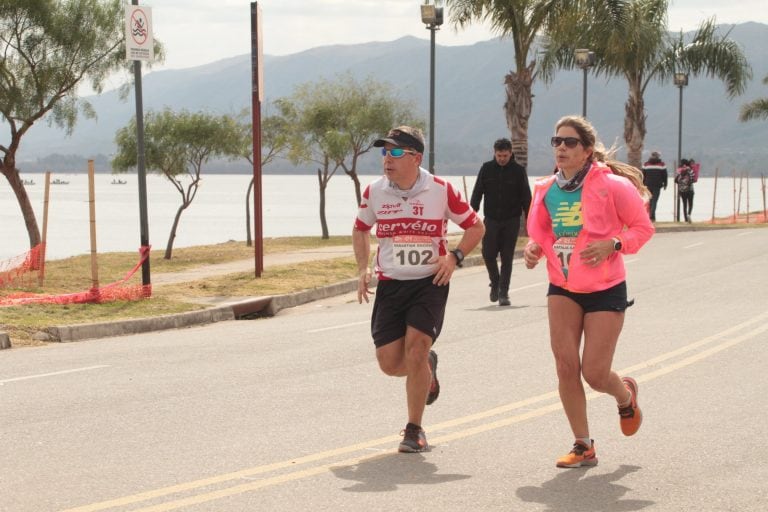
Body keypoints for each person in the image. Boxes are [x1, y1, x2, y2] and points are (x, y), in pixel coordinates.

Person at [523, 115, 654, 468]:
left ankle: (625, 396)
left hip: (605, 287)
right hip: (563, 285)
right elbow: (542, 235)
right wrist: (534, 249)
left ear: (587, 151)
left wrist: (613, 243)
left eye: (569, 143)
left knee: (595, 374)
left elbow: (643, 228)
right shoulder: (546, 189)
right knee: (566, 365)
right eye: (556, 141)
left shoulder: (611, 186)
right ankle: (583, 445)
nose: (561, 148)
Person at [353, 126, 484, 453]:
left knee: (416, 348)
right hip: (391, 284)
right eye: (384, 152)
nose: (387, 159)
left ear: (416, 157)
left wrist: (454, 257)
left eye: (396, 152)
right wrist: (362, 267)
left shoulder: (440, 189)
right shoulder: (374, 192)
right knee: (389, 363)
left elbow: (475, 226)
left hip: (430, 282)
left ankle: (414, 429)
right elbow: (360, 229)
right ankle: (428, 367)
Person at [470, 138, 532, 306]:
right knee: (487, 254)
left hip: (511, 221)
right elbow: (477, 192)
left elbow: (526, 197)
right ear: (494, 153)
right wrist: (472, 212)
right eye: (499, 155)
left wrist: (530, 220)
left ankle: (503, 293)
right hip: (491, 220)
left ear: (510, 153)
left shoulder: (518, 171)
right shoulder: (487, 169)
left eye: (505, 155)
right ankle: (495, 282)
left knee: (507, 257)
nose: (502, 158)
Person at [641, 151, 668, 221]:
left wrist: (642, 184)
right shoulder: (662, 165)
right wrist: (665, 184)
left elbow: (643, 175)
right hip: (657, 185)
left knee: (650, 200)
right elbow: (665, 175)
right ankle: (652, 216)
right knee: (654, 201)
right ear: (658, 156)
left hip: (648, 185)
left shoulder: (646, 164)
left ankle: (651, 216)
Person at [675, 158, 697, 223]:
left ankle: (685, 219)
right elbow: (693, 179)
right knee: (690, 204)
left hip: (682, 190)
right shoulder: (690, 170)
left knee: (684, 204)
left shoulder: (679, 171)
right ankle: (689, 214)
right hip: (690, 190)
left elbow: (676, 180)